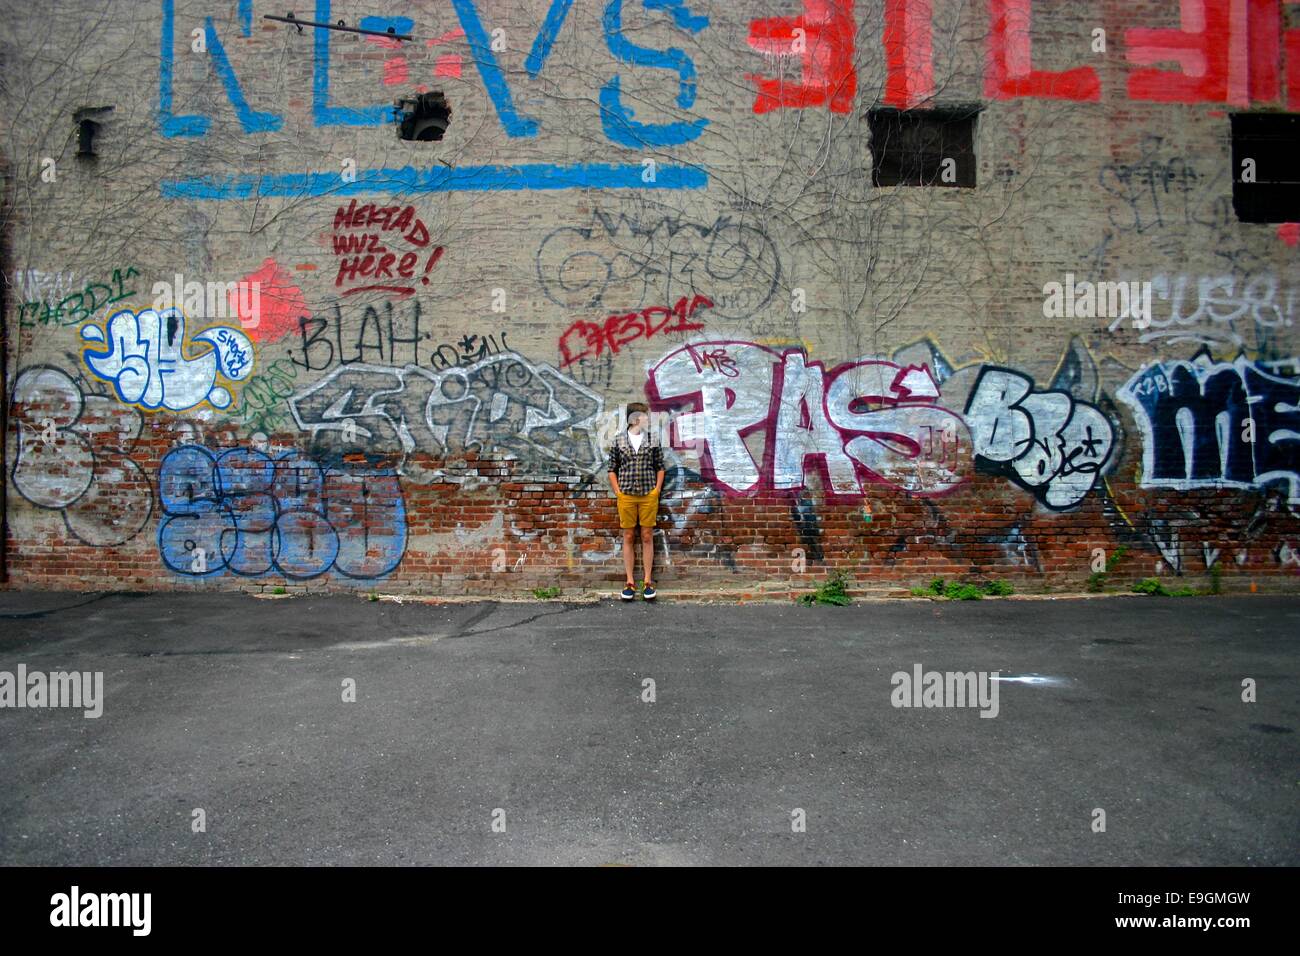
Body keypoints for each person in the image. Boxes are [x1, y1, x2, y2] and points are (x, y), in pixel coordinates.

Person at [605, 403, 665, 601]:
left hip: (648, 495)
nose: (647, 419)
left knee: (647, 535)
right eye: (644, 416)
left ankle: (648, 581)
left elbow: (660, 466)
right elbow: (612, 468)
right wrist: (618, 492)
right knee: (629, 536)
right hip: (627, 496)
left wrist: (656, 490)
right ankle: (629, 582)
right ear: (635, 419)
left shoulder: (653, 439)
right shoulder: (619, 440)